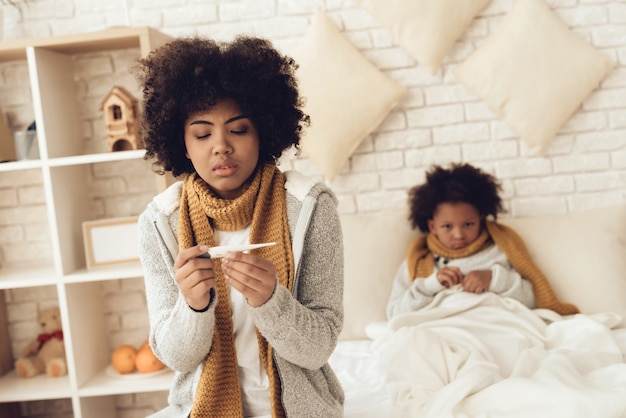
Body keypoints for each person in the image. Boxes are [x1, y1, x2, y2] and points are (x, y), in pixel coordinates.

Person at [133, 35, 344, 418]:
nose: (221, 146)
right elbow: (177, 358)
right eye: (202, 133)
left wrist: (271, 301)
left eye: (239, 129)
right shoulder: (159, 222)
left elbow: (319, 348)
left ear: (264, 131)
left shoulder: (311, 207)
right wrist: (193, 307)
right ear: (181, 142)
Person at [386, 162, 578, 320]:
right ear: (432, 226)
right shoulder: (418, 263)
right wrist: (430, 285)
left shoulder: (500, 250)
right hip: (443, 328)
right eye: (447, 227)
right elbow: (394, 314)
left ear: (481, 218)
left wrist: (494, 279)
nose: (459, 235)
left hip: (494, 325)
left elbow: (533, 300)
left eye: (468, 224)